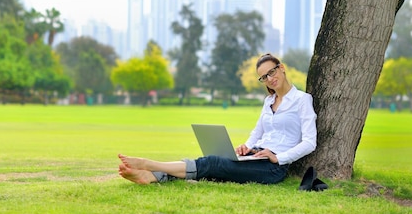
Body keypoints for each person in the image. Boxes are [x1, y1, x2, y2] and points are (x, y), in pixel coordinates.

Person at [118, 53, 317, 185]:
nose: (270, 79)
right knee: (216, 165)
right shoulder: (269, 101)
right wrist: (246, 147)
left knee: (214, 163)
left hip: (273, 167)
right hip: (254, 156)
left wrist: (278, 157)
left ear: (281, 68)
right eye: (264, 77)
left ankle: (150, 165)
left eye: (271, 72)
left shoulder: (302, 100)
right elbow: (257, 133)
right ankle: (154, 177)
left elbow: (310, 142)